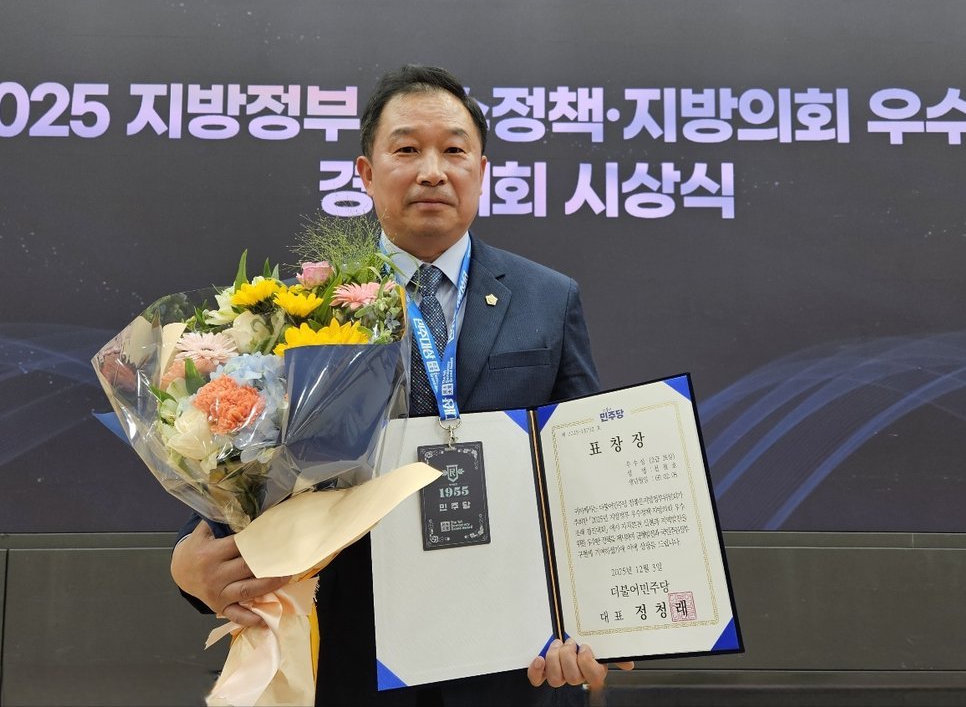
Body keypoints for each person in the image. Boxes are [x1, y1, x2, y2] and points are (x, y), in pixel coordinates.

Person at [171, 64, 633, 705]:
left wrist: (602, 624)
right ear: (366, 173)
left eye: (454, 151)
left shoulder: (547, 299)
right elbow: (237, 469)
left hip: (511, 655)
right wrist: (191, 564)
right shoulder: (298, 308)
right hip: (348, 651)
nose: (432, 171)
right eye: (408, 149)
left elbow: (584, 469)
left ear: (481, 170)